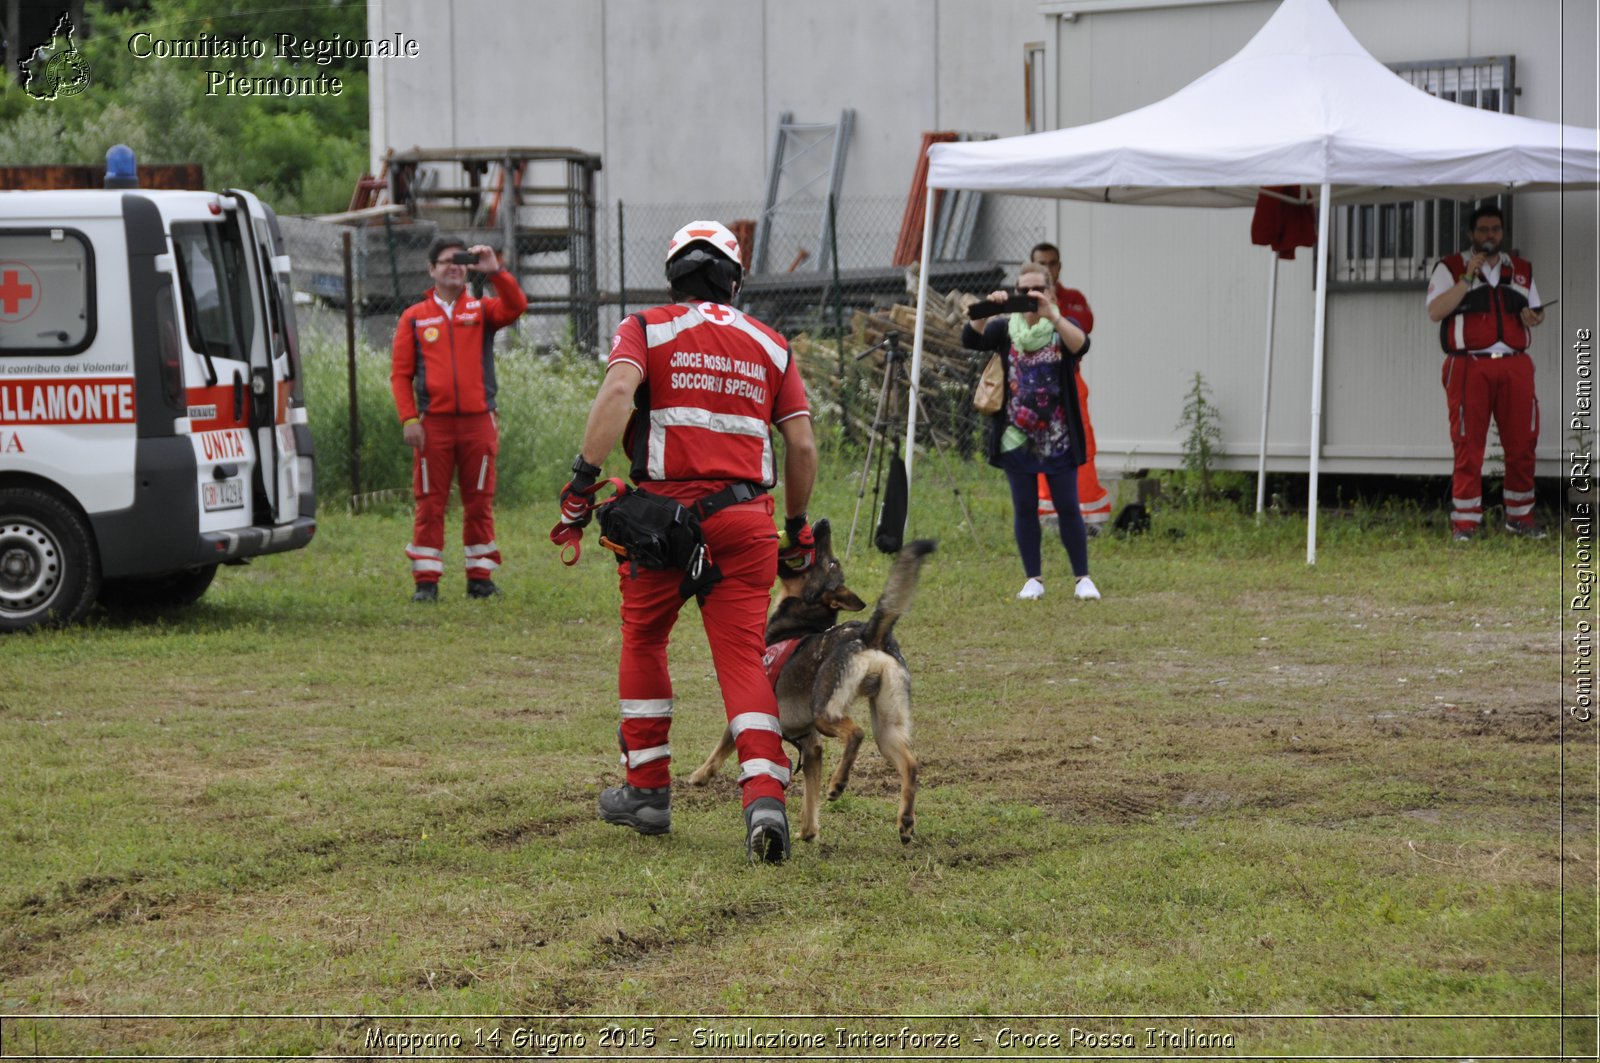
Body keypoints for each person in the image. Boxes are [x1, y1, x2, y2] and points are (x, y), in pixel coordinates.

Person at [556, 220, 818, 863]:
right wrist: (796, 527)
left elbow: (619, 392)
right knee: (740, 658)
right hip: (746, 523)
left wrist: (583, 484)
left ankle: (646, 791)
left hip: (660, 527)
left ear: (672, 275)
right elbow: (802, 445)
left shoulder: (646, 328)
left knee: (645, 639)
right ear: (733, 278)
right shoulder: (771, 343)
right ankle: (764, 798)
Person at [391, 238, 528, 601]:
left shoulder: (482, 311)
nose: (455, 267)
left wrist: (495, 271)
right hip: (432, 425)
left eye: (461, 261)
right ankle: (426, 583)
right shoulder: (415, 318)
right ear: (431, 269)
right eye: (447, 261)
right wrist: (409, 420)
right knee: (430, 503)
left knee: (479, 502)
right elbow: (400, 375)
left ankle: (480, 578)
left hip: (478, 423)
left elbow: (517, 306)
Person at [963, 265, 1100, 601]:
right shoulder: (1005, 329)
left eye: (1038, 289)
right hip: (1016, 435)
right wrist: (987, 310)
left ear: (1051, 292)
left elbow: (1081, 345)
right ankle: (1033, 579)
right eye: (1024, 290)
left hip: (1058, 435)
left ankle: (1082, 578)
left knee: (1068, 506)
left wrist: (1053, 316)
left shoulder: (1061, 327)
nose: (1030, 296)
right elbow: (971, 338)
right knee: (1024, 507)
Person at [1425, 204, 1547, 540]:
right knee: (1468, 444)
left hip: (1515, 365)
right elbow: (1436, 311)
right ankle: (1466, 523)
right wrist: (1467, 277)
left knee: (1522, 443)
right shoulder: (1450, 267)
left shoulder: (1520, 269)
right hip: (1468, 365)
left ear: (1502, 233)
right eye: (1483, 230)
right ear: (1471, 234)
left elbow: (1535, 310)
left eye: (1495, 229)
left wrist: (1533, 318)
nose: (1489, 235)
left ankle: (1520, 518)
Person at [1028, 243, 1111, 536]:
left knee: (1082, 443)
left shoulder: (1073, 298)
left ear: (1059, 267)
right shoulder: (1024, 302)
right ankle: (1048, 514)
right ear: (1032, 266)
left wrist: (1054, 308)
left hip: (1069, 380)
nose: (1048, 269)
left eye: (1052, 263)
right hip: (1037, 382)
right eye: (1041, 264)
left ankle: (1089, 516)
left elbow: (1083, 327)